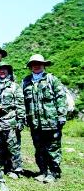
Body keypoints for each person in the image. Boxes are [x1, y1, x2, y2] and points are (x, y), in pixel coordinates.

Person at [22, 54, 67, 183]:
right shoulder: (26, 81)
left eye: (39, 63)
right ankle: (43, 171)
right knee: (39, 149)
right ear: (30, 67)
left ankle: (54, 173)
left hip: (51, 122)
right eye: (33, 64)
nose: (36, 66)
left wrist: (61, 116)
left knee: (53, 148)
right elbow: (24, 102)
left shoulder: (52, 79)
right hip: (35, 123)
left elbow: (61, 98)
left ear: (43, 65)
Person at [0, 62, 25, 179]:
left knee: (13, 147)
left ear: (8, 71)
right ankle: (3, 167)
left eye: (4, 69)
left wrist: (20, 120)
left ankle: (16, 170)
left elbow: (20, 105)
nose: (2, 71)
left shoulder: (15, 86)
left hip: (10, 122)